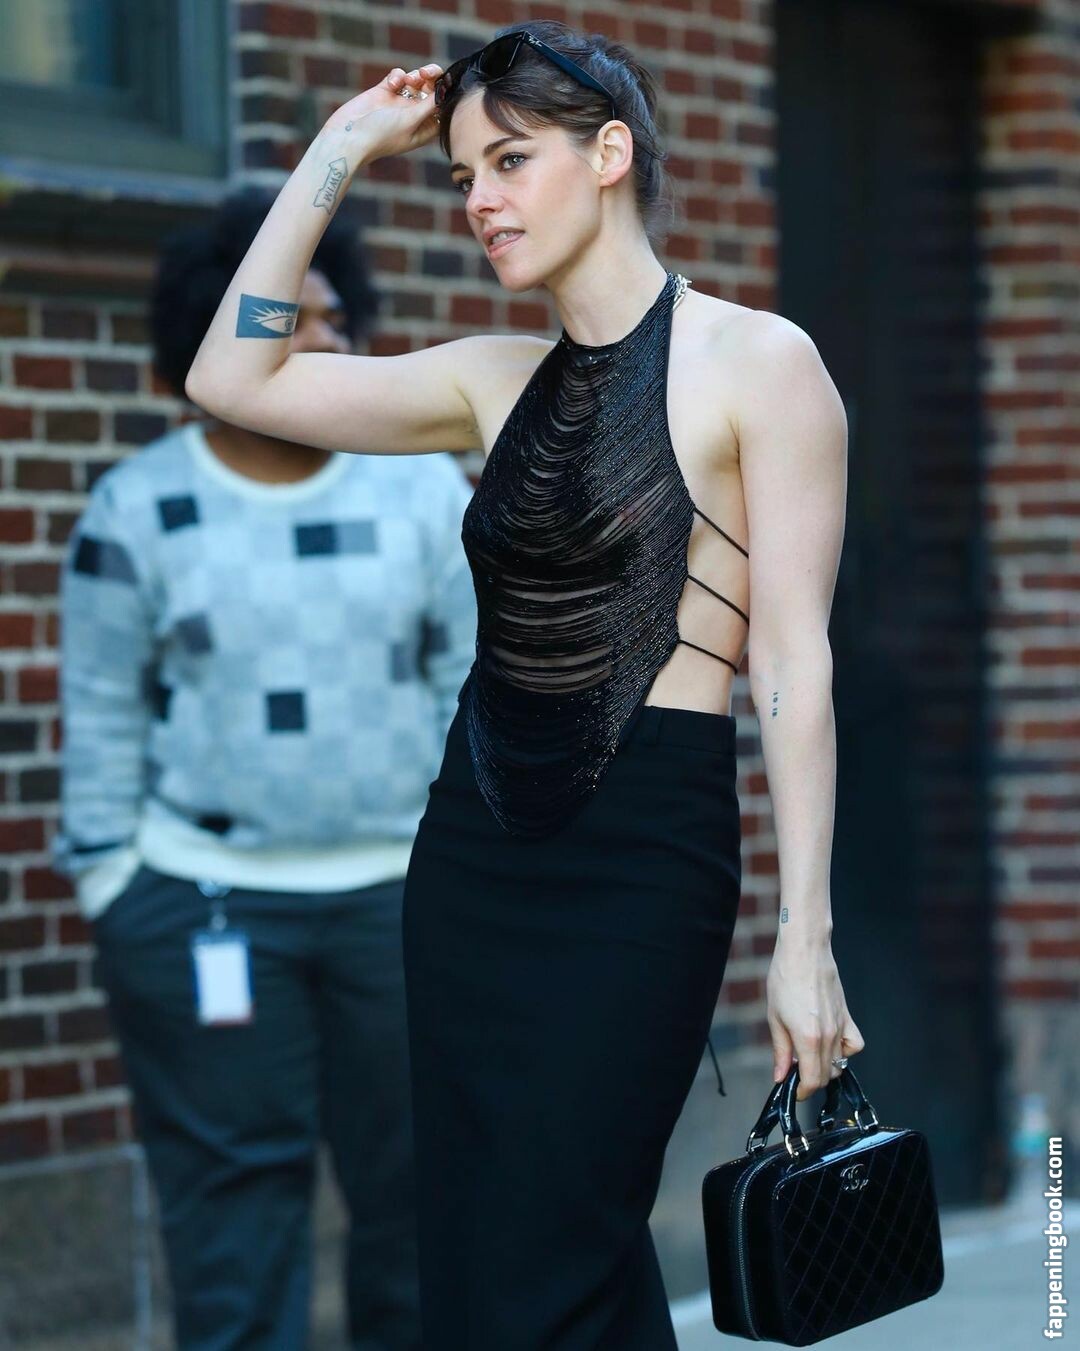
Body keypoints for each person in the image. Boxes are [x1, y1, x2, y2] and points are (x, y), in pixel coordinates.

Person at [181, 20, 867, 1349]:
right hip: (474, 857)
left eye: (509, 161)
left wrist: (807, 938)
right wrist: (340, 147)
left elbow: (794, 663)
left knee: (560, 1241)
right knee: (487, 1256)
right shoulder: (489, 383)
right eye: (460, 176)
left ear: (608, 156)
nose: (480, 201)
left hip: (644, 859)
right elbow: (231, 377)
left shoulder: (761, 364)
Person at [50, 186, 477, 1350]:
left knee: (425, 1203)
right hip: (203, 908)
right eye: (298, 316)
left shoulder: (420, 489)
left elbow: (473, 686)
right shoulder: (138, 509)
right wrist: (114, 882)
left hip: (404, 907)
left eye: (341, 316)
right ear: (217, 336)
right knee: (234, 1225)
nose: (333, 337)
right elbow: (99, 713)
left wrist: (467, 871)